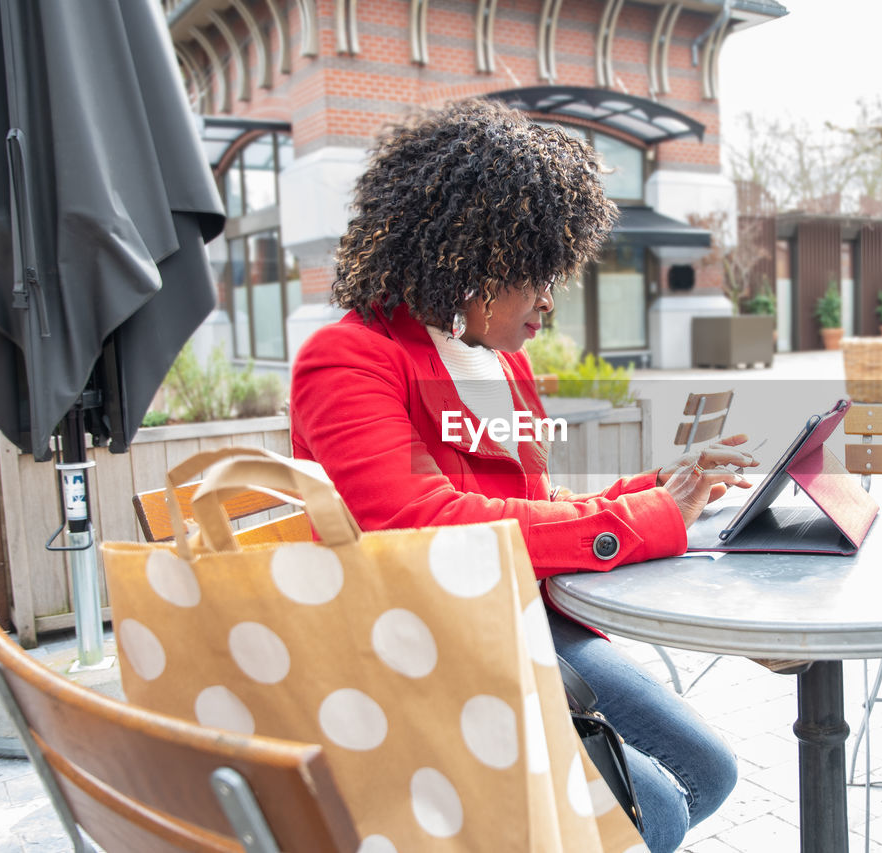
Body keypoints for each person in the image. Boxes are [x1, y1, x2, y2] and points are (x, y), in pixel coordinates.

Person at [290, 99, 750, 853]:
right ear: (462, 256)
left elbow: (532, 505)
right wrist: (643, 521)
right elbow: (424, 524)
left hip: (522, 622)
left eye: (554, 269)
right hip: (420, 646)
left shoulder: (502, 363)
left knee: (709, 769)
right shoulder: (350, 358)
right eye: (532, 269)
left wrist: (659, 490)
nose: (548, 297)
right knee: (657, 809)